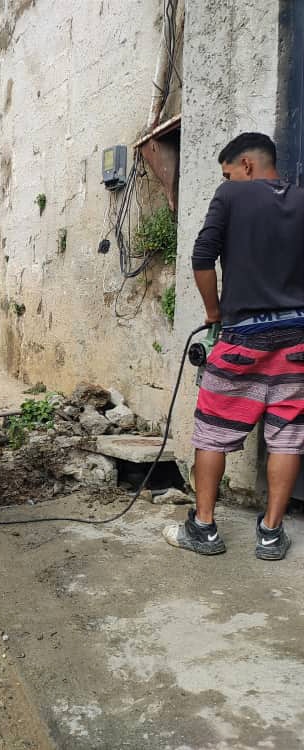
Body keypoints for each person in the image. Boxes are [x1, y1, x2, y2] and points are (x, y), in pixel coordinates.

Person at [164, 132, 304, 561]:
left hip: (243, 335)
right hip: (297, 341)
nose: (226, 179)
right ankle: (270, 533)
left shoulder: (231, 195)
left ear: (245, 165)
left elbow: (202, 257)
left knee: (211, 431)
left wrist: (213, 313)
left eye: (228, 172)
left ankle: (204, 528)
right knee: (288, 436)